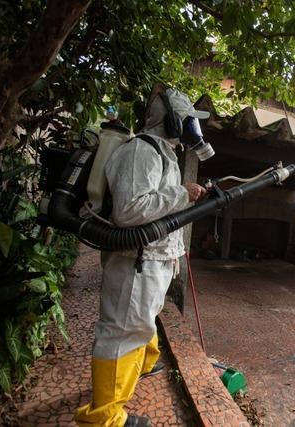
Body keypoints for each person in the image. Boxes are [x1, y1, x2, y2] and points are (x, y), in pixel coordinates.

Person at [75, 84, 208, 427]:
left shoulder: (164, 153)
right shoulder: (142, 150)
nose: (195, 128)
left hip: (153, 260)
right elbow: (131, 211)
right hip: (137, 262)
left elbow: (160, 214)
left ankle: (144, 365)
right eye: (190, 120)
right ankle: (104, 419)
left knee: (141, 323)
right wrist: (183, 194)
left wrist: (174, 254)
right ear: (174, 121)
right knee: (122, 334)